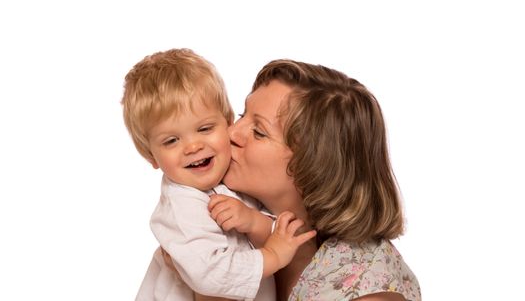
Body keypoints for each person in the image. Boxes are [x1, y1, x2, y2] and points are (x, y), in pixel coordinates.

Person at [212, 59, 421, 301]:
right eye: (241, 115)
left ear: (315, 166)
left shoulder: (369, 292)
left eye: (259, 132)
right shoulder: (223, 224)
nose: (231, 132)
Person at [121, 49, 316, 301]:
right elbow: (211, 275)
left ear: (227, 123)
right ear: (150, 156)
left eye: (204, 128)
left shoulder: (233, 178)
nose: (192, 147)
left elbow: (273, 229)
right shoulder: (182, 208)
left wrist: (254, 222)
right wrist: (273, 257)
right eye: (171, 140)